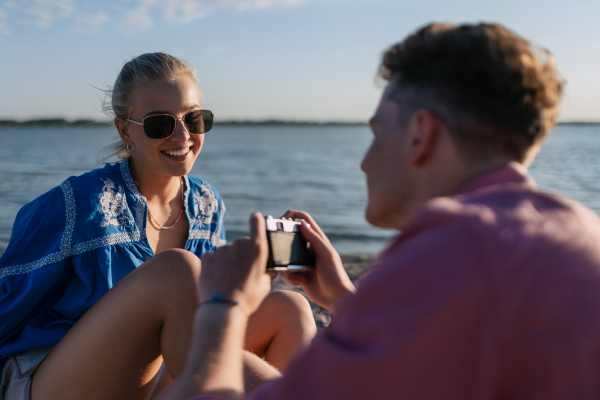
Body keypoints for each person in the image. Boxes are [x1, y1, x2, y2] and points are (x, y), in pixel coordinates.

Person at [159, 23, 600, 400]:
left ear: (420, 133)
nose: (365, 160)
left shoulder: (457, 247)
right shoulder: (576, 228)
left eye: (376, 131)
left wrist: (223, 306)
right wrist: (338, 296)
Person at [0, 53, 316, 400]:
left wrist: (256, 271)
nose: (182, 135)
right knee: (177, 269)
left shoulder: (207, 204)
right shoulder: (79, 203)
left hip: (162, 372)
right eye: (160, 123)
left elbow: (208, 310)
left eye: (194, 118)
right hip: (59, 379)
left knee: (290, 308)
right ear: (125, 130)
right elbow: (10, 298)